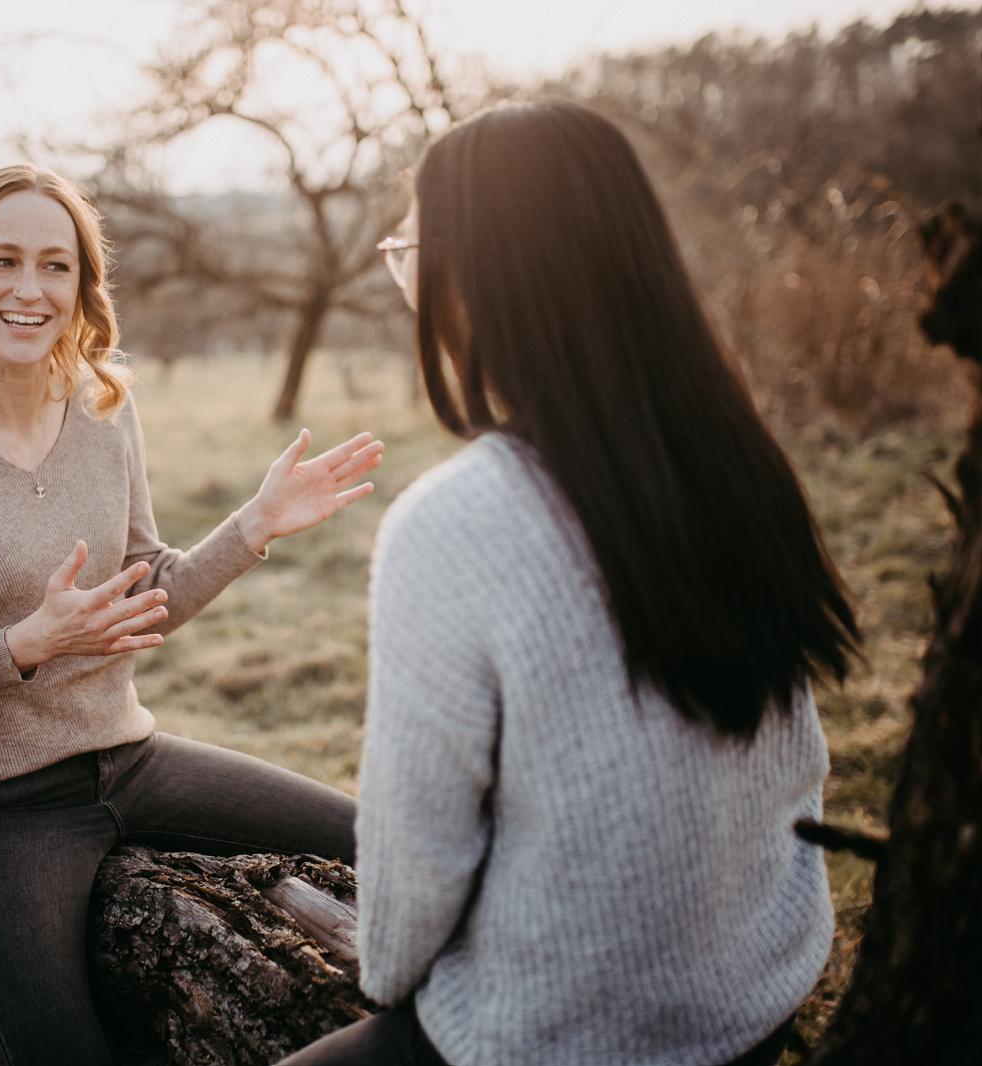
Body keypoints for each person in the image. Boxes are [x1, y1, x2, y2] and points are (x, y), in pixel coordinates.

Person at [280, 99, 859, 1065]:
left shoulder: (456, 522)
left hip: (569, 1035)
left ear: (479, 277)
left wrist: (387, 974)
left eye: (408, 254)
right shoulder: (735, 460)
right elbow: (797, 760)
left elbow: (410, 891)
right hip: (760, 998)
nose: (406, 282)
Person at [0, 163, 382, 1066]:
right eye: (3, 260)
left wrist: (252, 528)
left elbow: (144, 591)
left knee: (375, 841)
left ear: (83, 288)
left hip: (130, 760)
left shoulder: (104, 412)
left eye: (56, 266)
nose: (29, 288)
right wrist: (28, 644)